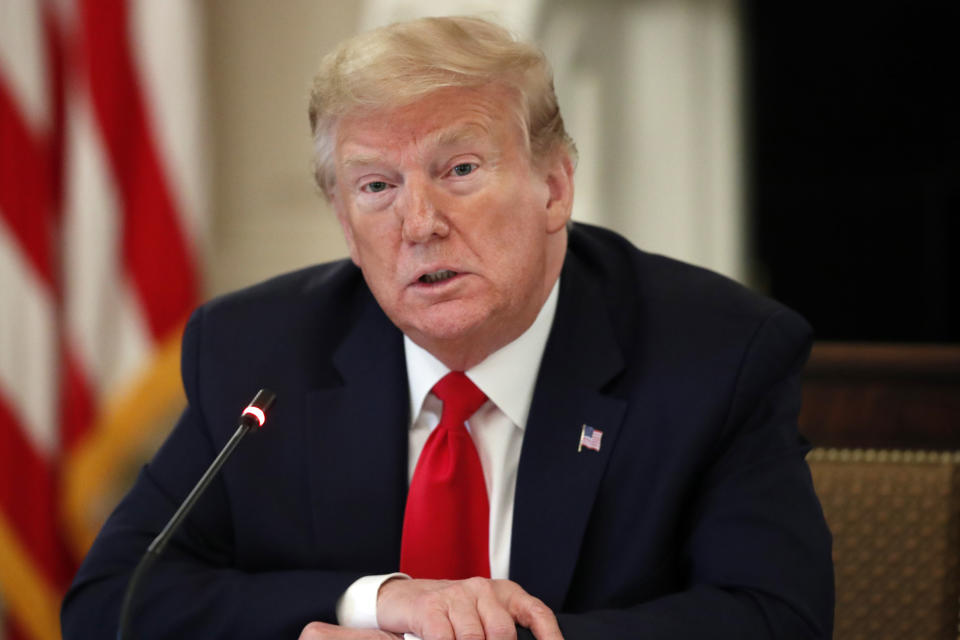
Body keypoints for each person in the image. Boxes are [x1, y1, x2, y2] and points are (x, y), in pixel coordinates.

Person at [61, 16, 834, 640]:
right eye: (376, 186)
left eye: (460, 169)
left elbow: (777, 617)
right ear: (342, 219)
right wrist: (371, 603)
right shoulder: (258, 351)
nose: (419, 224)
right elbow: (110, 604)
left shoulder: (716, 354)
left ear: (554, 187)